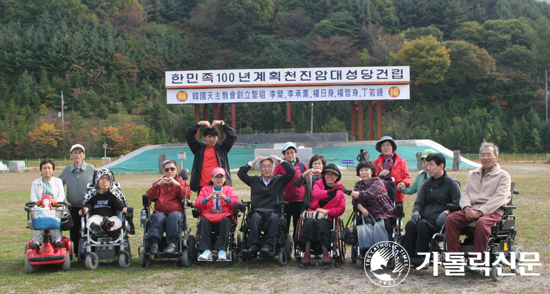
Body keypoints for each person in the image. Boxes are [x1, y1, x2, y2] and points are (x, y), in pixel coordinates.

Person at [445, 142, 511, 258]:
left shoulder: (503, 176)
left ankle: (478, 260)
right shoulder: (473, 174)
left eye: (489, 154)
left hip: (493, 211)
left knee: (481, 223)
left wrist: (479, 212)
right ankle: (453, 257)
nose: (485, 158)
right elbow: (465, 193)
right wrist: (466, 208)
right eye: (482, 155)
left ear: (496, 157)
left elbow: (499, 198)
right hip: (472, 209)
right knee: (451, 219)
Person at [403, 153, 461, 267]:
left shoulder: (452, 184)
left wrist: (447, 212)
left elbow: (458, 204)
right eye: (427, 164)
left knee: (422, 225)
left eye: (431, 165)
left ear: (441, 166)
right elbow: (419, 202)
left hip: (440, 222)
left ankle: (422, 257)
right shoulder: (427, 184)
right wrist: (416, 211)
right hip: (425, 218)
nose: (428, 168)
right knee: (411, 224)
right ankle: (407, 256)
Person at [237, 155, 295, 256]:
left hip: (274, 211)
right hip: (257, 211)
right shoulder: (254, 180)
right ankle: (252, 246)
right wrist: (254, 161)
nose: (266, 169)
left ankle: (267, 246)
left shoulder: (279, 180)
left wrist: (279, 160)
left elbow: (292, 171)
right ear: (260, 168)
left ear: (273, 168)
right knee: (254, 218)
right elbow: (241, 174)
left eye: (269, 166)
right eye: (264, 166)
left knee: (274, 218)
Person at [299, 163, 346, 264]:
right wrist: (328, 193)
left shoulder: (340, 191)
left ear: (337, 177)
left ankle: (325, 254)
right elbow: (315, 193)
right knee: (308, 224)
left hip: (327, 217)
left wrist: (327, 211)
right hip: (313, 213)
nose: (329, 176)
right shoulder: (319, 183)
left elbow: (341, 209)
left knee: (322, 225)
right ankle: (306, 254)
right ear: (324, 175)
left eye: (332, 174)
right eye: (327, 174)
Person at [146, 160, 191, 254]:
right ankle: (154, 243)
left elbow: (186, 196)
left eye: (172, 169)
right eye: (167, 169)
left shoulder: (182, 183)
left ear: (176, 170)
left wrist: (177, 184)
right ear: (164, 171)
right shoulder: (158, 183)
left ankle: (173, 243)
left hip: (176, 212)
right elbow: (150, 197)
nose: (169, 171)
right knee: (158, 217)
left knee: (174, 216)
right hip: (160, 211)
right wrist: (158, 185)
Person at [195, 167, 239, 261]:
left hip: (224, 216)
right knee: (204, 221)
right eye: (216, 177)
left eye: (221, 177)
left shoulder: (229, 190)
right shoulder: (205, 190)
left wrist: (226, 198)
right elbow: (197, 204)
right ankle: (206, 251)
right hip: (208, 215)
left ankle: (222, 251)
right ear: (212, 178)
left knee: (226, 221)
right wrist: (207, 198)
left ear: (224, 178)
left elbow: (236, 203)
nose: (219, 179)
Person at [59, 144, 95, 254]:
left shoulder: (91, 169)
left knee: (90, 229)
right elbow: (57, 184)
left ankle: (90, 251)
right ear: (71, 155)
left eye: (80, 153)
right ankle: (75, 252)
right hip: (74, 207)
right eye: (75, 153)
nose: (77, 155)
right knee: (74, 229)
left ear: (84, 155)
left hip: (89, 207)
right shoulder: (66, 171)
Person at [185, 120, 237, 194]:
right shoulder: (198, 148)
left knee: (220, 205)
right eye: (209, 137)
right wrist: (199, 124)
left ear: (217, 138)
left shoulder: (222, 148)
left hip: (219, 186)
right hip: (202, 187)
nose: (212, 139)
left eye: (214, 137)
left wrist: (222, 123)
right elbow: (189, 136)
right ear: (204, 138)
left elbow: (232, 136)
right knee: (202, 205)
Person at [349, 161, 395, 242]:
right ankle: (368, 248)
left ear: (372, 171)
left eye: (366, 170)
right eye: (361, 170)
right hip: (368, 213)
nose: (364, 172)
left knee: (385, 224)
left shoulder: (377, 181)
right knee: (366, 224)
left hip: (383, 211)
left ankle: (387, 246)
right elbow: (355, 200)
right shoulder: (358, 184)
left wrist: (349, 192)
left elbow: (369, 194)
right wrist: (363, 210)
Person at [274, 142, 307, 238]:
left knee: (298, 225)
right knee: (284, 225)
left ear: (295, 153)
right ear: (284, 154)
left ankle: (297, 246)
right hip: (285, 200)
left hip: (299, 200)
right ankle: (285, 246)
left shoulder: (302, 165)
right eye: (287, 153)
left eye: (292, 152)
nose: (290, 155)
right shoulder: (280, 166)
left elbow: (305, 180)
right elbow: (276, 181)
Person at [30, 158, 66, 249]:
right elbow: (33, 197)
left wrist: (55, 204)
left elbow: (61, 196)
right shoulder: (35, 183)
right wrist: (40, 205)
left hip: (54, 207)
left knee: (54, 216)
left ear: (52, 169)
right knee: (37, 215)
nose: (47, 170)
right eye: (44, 168)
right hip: (40, 208)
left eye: (49, 168)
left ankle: (57, 240)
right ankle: (37, 242)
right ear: (41, 170)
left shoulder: (58, 182)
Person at [80, 169, 128, 235]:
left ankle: (108, 225)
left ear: (110, 182)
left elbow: (118, 204)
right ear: (97, 181)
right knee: (90, 221)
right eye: (102, 178)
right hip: (96, 216)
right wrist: (85, 209)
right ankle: (95, 227)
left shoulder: (113, 195)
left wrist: (124, 209)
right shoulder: (93, 195)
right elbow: (89, 204)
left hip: (110, 217)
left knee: (118, 222)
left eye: (107, 179)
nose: (105, 180)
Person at [373, 136, 411, 203]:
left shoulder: (401, 162)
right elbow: (371, 177)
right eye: (383, 145)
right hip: (380, 195)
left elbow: (406, 177)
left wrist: (404, 183)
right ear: (380, 148)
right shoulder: (376, 162)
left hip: (396, 194)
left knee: (397, 213)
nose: (386, 147)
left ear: (392, 147)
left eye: (388, 145)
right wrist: (379, 174)